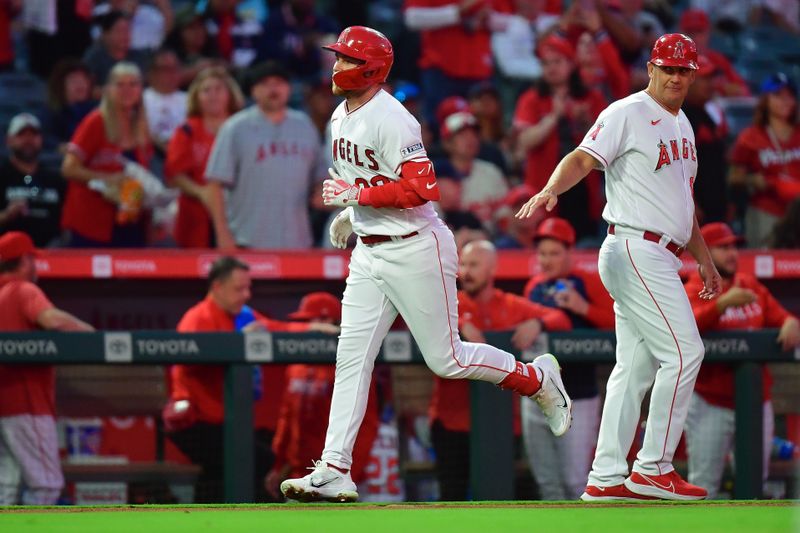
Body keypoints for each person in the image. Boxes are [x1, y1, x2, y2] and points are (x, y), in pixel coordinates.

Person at [279, 25, 572, 504]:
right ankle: (334, 467)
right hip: (370, 251)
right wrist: (355, 214)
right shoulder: (339, 116)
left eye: (348, 60)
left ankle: (537, 378)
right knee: (351, 357)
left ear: (371, 68)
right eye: (338, 57)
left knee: (447, 359)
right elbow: (366, 178)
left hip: (416, 245)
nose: (337, 66)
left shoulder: (394, 119)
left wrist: (357, 197)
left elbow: (421, 189)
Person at [516, 33, 723, 501]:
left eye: (683, 69)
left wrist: (704, 260)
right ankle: (653, 468)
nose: (675, 76)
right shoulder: (625, 112)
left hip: (662, 253)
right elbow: (583, 159)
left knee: (633, 368)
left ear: (693, 74)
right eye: (667, 68)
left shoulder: (684, 124)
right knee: (686, 352)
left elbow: (682, 203)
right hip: (634, 246)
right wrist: (551, 188)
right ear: (650, 68)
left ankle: (607, 475)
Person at [164, 256, 337, 502]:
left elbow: (275, 327)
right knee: (258, 461)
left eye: (248, 288)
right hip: (194, 423)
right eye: (238, 289)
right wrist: (234, 342)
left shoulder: (242, 314)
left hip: (226, 422)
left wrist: (313, 329)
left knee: (255, 453)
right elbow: (188, 364)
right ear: (217, 287)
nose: (246, 295)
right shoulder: (198, 318)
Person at [429, 240, 571, 500]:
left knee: (502, 497)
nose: (466, 271)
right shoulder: (450, 304)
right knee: (450, 496)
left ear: (492, 269)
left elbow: (560, 319)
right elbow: (414, 321)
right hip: (452, 420)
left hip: (503, 420)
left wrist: (537, 324)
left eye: (474, 264)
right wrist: (458, 324)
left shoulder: (510, 304)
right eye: (463, 264)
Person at [683, 222, 800, 498]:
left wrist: (791, 321)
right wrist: (721, 304)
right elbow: (684, 327)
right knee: (704, 485)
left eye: (733, 246)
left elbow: (781, 316)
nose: (732, 253)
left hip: (756, 403)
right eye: (722, 248)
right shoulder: (692, 289)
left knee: (754, 484)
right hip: (710, 402)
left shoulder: (750, 286)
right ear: (704, 253)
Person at [521, 217, 615, 500]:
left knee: (575, 482)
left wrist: (581, 306)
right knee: (547, 483)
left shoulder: (586, 283)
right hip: (538, 395)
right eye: (543, 253)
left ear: (569, 253)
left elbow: (616, 323)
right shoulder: (533, 287)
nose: (547, 260)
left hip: (579, 395)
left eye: (554, 253)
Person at [0, 231, 94, 505]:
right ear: (24, 261)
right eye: (32, 259)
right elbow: (51, 319)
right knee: (46, 486)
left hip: (4, 407)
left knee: (6, 486)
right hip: (27, 405)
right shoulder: (22, 289)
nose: (36, 265)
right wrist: (92, 334)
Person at [265, 292, 380, 499]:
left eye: (313, 320)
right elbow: (287, 418)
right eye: (305, 322)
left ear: (329, 321)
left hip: (336, 475)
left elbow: (366, 426)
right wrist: (279, 465)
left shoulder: (349, 367)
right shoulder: (296, 365)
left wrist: (349, 473)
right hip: (300, 475)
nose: (308, 327)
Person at [204, 60, 328, 250]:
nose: (273, 89)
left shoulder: (305, 125)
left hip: (297, 242)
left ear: (288, 88)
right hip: (247, 240)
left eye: (279, 83)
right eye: (265, 83)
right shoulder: (235, 128)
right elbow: (215, 184)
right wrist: (222, 234)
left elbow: (320, 177)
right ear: (253, 91)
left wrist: (321, 191)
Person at [513, 34, 607, 243]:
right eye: (546, 63)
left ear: (571, 64)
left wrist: (584, 122)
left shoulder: (591, 98)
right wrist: (553, 117)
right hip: (543, 184)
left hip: (583, 188)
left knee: (586, 240)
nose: (551, 68)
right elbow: (525, 141)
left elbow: (607, 145)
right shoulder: (531, 98)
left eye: (557, 62)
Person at [61, 61, 153, 247]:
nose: (127, 90)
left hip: (129, 220)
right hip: (91, 223)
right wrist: (108, 178)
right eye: (120, 84)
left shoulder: (141, 127)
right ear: (108, 89)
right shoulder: (96, 122)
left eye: (133, 84)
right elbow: (68, 168)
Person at [165, 67, 245, 249]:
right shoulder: (186, 130)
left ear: (230, 94)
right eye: (206, 90)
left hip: (238, 212)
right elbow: (175, 175)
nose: (213, 95)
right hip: (196, 214)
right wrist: (202, 193)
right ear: (196, 97)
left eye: (218, 89)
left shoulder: (244, 128)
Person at [728, 73, 800, 248]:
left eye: (789, 96)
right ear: (765, 100)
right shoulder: (750, 137)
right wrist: (753, 180)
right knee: (765, 260)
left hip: (798, 210)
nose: (785, 101)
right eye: (777, 96)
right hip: (766, 210)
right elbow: (733, 178)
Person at [0, 114, 66, 247]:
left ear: (41, 139)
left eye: (33, 135)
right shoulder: (2, 176)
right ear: (8, 140)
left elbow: (67, 224)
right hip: (7, 257)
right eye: (21, 135)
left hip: (52, 254)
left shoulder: (56, 179)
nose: (28, 140)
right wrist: (6, 215)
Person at [682, 55, 729, 224]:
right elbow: (678, 166)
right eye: (704, 79)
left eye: (711, 78)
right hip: (696, 211)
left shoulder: (708, 115)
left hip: (714, 206)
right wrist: (690, 203)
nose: (710, 85)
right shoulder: (681, 116)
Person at [82, 10, 150, 87]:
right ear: (106, 34)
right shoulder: (94, 58)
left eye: (127, 31)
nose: (125, 36)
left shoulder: (140, 58)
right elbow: (89, 89)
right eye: (119, 31)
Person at [45, 59, 98, 148]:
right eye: (74, 80)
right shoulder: (51, 111)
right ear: (61, 85)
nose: (80, 85)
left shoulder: (97, 110)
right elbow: (45, 137)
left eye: (84, 80)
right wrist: (60, 146)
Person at [143, 48, 187, 152]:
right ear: (152, 73)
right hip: (151, 153)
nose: (171, 73)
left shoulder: (190, 99)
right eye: (165, 69)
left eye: (175, 68)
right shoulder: (139, 99)